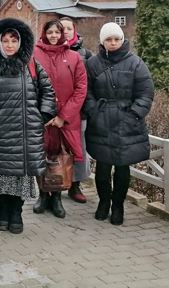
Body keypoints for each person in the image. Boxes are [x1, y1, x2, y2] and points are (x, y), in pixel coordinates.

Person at [0, 18, 57, 234]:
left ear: (20, 42)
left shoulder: (31, 65)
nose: (10, 45)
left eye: (14, 40)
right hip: (1, 132)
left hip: (26, 132)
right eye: (5, 40)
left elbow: (48, 92)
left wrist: (41, 116)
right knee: (1, 175)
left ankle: (16, 214)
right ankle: (2, 213)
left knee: (21, 176)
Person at [84, 23, 155, 226]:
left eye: (116, 39)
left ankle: (118, 206)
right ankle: (104, 202)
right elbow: (86, 91)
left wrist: (133, 115)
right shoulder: (93, 64)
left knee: (123, 166)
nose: (113, 43)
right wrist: (94, 111)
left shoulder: (136, 63)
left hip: (127, 122)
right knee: (103, 166)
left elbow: (145, 93)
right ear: (102, 41)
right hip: (101, 121)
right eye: (109, 39)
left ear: (122, 40)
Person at [31, 19, 87, 219]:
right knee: (41, 155)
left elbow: (81, 89)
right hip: (42, 119)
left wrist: (63, 116)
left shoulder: (73, 57)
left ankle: (57, 197)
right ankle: (43, 195)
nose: (53, 36)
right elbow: (31, 86)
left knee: (61, 157)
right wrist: (42, 113)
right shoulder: (34, 54)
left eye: (57, 32)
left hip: (66, 119)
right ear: (44, 33)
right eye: (50, 32)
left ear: (63, 34)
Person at [58, 16, 92, 204]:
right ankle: (52, 184)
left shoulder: (85, 54)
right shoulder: (50, 52)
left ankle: (75, 185)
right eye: (61, 29)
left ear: (74, 30)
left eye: (68, 29)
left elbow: (89, 85)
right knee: (53, 148)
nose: (65, 32)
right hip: (55, 111)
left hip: (79, 110)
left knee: (78, 148)